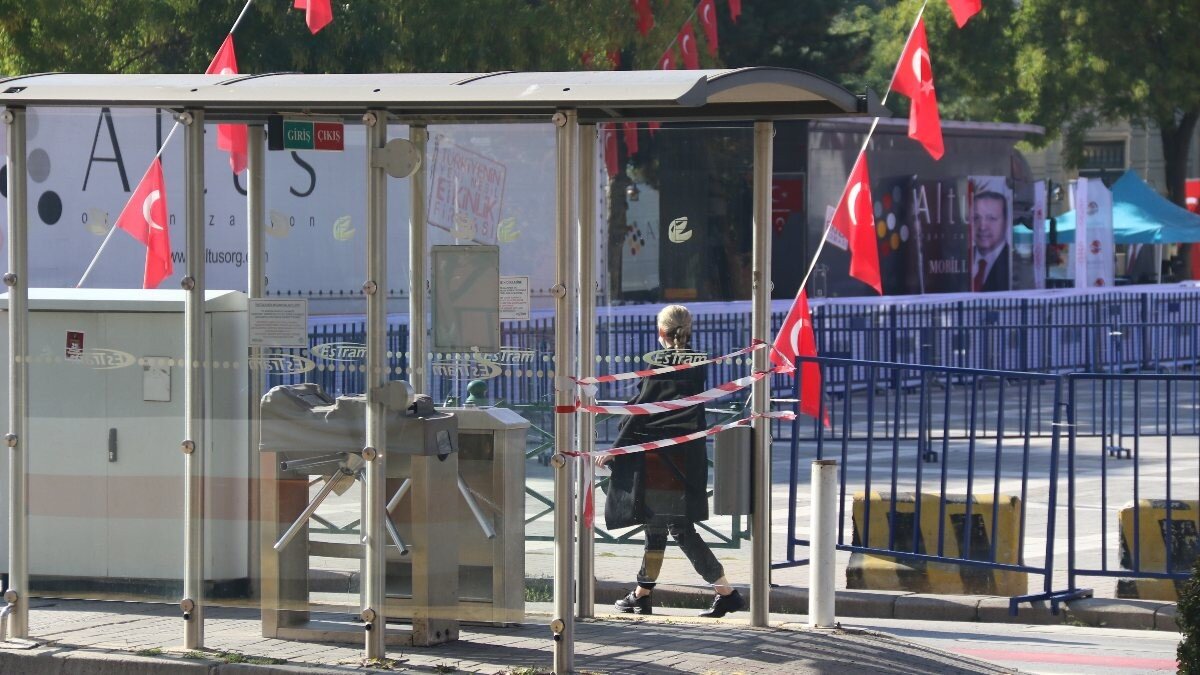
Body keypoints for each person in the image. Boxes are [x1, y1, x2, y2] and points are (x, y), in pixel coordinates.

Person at [597, 305, 744, 618]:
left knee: (675, 526)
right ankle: (643, 593)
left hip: (660, 459)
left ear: (660, 331)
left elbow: (642, 410)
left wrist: (616, 449)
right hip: (685, 456)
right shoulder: (697, 362)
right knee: (660, 526)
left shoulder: (662, 362)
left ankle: (725, 591)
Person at [971, 191, 1011, 292]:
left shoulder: (1014, 263)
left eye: (991, 218)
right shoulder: (961, 258)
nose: (982, 226)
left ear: (1006, 223)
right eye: (976, 218)